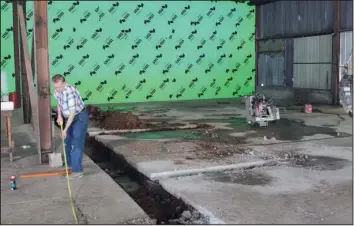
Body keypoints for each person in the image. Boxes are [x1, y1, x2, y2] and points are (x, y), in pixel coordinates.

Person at [52, 74, 88, 179]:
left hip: (79, 117)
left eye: (59, 87)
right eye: (55, 87)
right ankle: (70, 165)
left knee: (76, 143)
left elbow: (72, 113)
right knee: (67, 140)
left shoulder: (70, 92)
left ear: (64, 83)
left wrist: (65, 129)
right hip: (68, 117)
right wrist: (59, 115)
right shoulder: (57, 90)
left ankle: (77, 171)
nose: (57, 89)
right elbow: (58, 103)